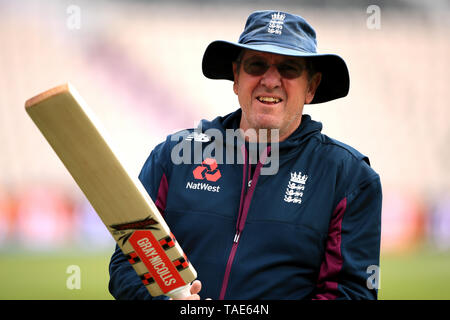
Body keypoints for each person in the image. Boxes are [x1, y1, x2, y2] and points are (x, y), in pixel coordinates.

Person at [108, 10, 382, 300]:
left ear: (311, 87)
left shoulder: (349, 177)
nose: (270, 80)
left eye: (289, 68)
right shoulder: (174, 157)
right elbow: (129, 262)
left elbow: (351, 293)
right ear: (236, 78)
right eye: (256, 65)